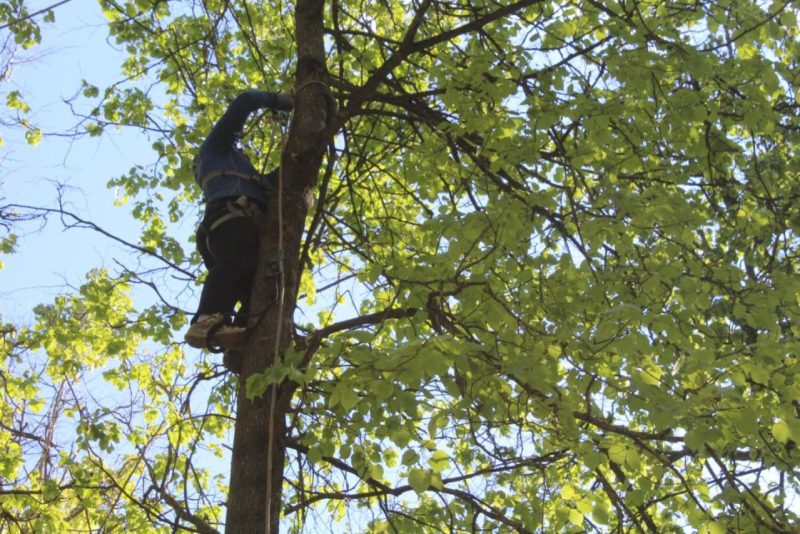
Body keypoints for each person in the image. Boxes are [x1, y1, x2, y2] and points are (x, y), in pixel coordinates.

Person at [184, 89, 293, 365]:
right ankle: (207, 318)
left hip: (237, 229)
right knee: (237, 264)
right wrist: (280, 102)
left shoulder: (247, 180)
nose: (241, 153)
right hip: (230, 221)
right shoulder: (215, 151)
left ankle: (238, 348)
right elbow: (244, 101)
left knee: (256, 292)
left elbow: (278, 180)